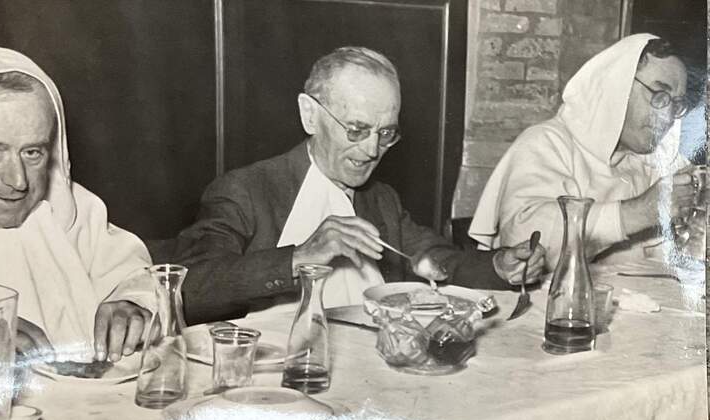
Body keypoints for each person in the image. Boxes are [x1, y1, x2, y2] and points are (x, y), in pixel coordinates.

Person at [175, 46, 545, 322]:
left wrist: (498, 265)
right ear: (310, 115)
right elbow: (190, 288)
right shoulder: (245, 190)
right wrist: (300, 257)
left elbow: (433, 259)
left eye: (386, 133)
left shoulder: (380, 198)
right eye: (356, 129)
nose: (372, 151)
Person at [0, 46, 156, 363]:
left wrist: (132, 305)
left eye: (33, 152)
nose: (18, 181)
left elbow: (139, 278)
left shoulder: (75, 210)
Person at [469, 34, 705, 270]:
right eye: (659, 95)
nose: (667, 116)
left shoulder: (658, 160)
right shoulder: (546, 143)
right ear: (617, 86)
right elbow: (525, 244)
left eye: (676, 103)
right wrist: (639, 212)